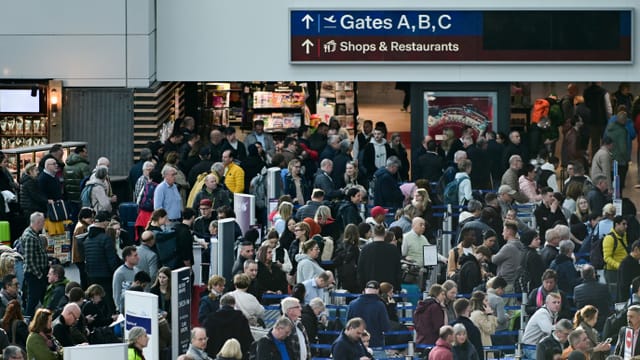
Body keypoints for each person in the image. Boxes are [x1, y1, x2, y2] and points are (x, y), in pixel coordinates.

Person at [84, 211, 120, 315]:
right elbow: (111, 260)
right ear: (105, 223)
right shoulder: (105, 239)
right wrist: (115, 273)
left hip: (91, 276)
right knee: (109, 303)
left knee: (96, 302)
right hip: (106, 276)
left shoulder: (87, 239)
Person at [346, 280, 390, 348]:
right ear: (378, 290)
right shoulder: (380, 305)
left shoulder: (352, 304)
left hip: (355, 345)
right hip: (375, 344)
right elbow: (386, 327)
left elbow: (347, 326)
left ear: (365, 290)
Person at [358, 225, 402, 291]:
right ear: (385, 234)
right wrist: (397, 288)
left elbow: (360, 271)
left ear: (373, 234)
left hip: (371, 288)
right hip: (388, 289)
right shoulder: (393, 249)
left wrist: (362, 288)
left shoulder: (365, 249)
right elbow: (398, 271)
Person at [21, 212, 49, 317]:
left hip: (37, 273)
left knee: (42, 297)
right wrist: (39, 275)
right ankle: (28, 319)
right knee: (33, 299)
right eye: (42, 222)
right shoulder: (30, 237)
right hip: (34, 274)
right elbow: (29, 260)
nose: (44, 224)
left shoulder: (33, 234)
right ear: (38, 222)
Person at [573, 264, 611, 330]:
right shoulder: (604, 287)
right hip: (602, 322)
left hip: (584, 322)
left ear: (582, 276)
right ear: (594, 274)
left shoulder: (576, 289)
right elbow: (610, 302)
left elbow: (575, 303)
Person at [112, 246, 139, 313]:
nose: (138, 258)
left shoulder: (136, 270)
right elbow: (116, 294)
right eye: (135, 256)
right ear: (127, 257)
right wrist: (120, 310)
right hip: (125, 309)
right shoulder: (119, 273)